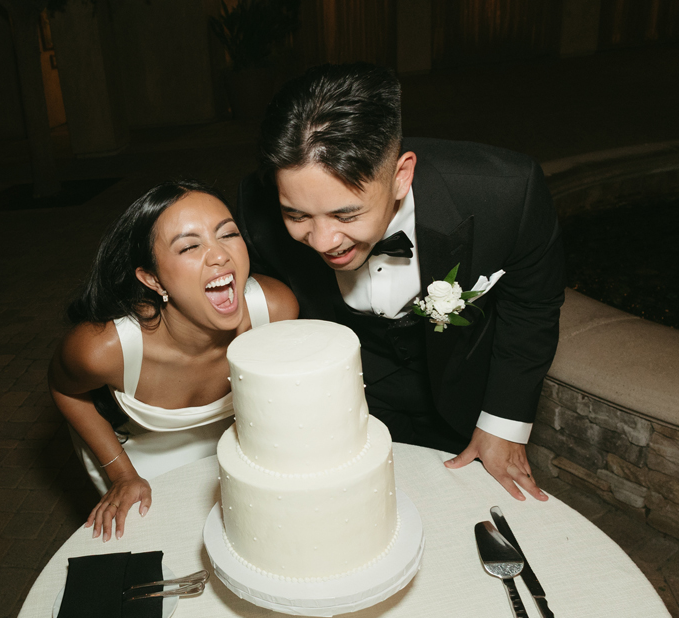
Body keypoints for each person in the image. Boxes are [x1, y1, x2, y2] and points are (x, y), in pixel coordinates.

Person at [236, 63, 564, 502]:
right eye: (297, 215)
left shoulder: (506, 195)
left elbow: (533, 307)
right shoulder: (256, 210)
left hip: (462, 389)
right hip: (351, 393)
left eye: (346, 214)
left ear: (401, 174)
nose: (322, 241)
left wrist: (502, 425)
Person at [50, 180, 298, 540]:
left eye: (227, 234)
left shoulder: (275, 309)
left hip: (235, 437)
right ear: (152, 278)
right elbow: (65, 389)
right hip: (137, 451)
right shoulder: (102, 348)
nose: (219, 256)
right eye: (190, 246)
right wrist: (121, 474)